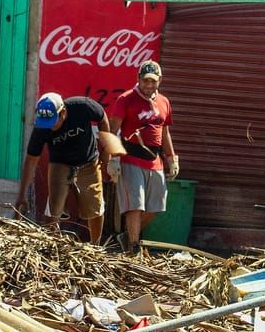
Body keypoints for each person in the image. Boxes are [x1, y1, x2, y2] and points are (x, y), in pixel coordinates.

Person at [108, 60, 179, 254]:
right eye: (145, 81)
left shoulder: (164, 102)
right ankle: (133, 246)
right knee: (135, 206)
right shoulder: (125, 99)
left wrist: (171, 158)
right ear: (138, 79)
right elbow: (112, 130)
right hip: (130, 157)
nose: (149, 85)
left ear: (160, 81)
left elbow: (165, 133)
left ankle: (126, 236)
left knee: (157, 205)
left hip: (155, 161)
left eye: (153, 81)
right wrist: (113, 158)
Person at [20, 91, 108, 242]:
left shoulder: (82, 106)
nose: (51, 127)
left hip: (87, 161)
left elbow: (102, 117)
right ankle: (51, 245)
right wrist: (21, 194)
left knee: (95, 206)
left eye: (54, 121)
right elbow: (31, 160)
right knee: (54, 207)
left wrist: (106, 149)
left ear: (63, 113)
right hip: (59, 162)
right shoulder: (41, 128)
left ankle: (96, 245)